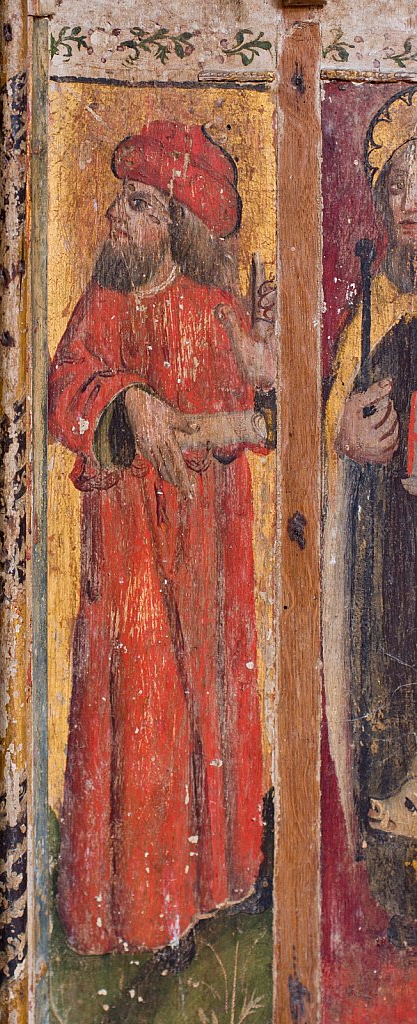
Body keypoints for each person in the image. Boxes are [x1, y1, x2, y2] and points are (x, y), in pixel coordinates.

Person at [48, 121, 276, 962]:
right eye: (119, 199)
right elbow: (63, 385)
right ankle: (138, 913)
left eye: (137, 203)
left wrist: (233, 401)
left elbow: (265, 418)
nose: (113, 215)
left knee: (205, 711)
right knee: (137, 715)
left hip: (207, 548)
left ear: (174, 221)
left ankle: (205, 891)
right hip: (128, 550)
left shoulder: (218, 311)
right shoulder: (104, 302)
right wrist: (124, 403)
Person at [324, 85, 417, 945]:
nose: (411, 200)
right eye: (396, 183)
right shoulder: (375, 303)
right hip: (395, 551)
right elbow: (334, 424)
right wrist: (347, 437)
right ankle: (401, 894)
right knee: (391, 700)